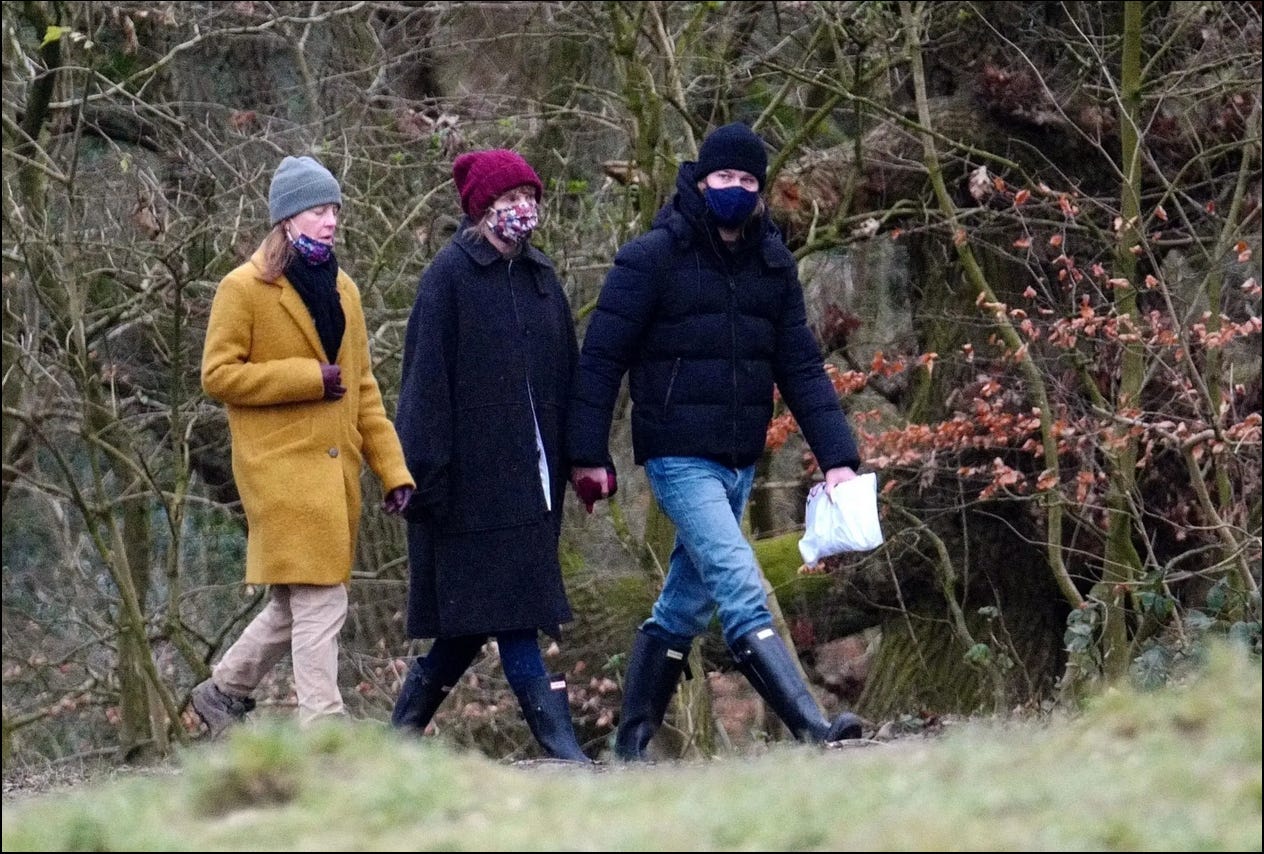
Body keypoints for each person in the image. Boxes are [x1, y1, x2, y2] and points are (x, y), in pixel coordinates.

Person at [568, 122, 865, 760]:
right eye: (725, 177)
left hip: (739, 458)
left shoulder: (773, 265)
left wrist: (837, 458)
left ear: (760, 191)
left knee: (684, 604)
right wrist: (587, 454)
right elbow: (601, 360)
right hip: (677, 452)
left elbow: (803, 368)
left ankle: (630, 742)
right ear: (701, 180)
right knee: (737, 577)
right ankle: (812, 728)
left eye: (748, 180)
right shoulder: (651, 257)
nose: (736, 188)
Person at [195, 155, 415, 736]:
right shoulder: (242, 288)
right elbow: (217, 375)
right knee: (323, 600)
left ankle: (222, 693)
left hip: (335, 470)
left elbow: (363, 387)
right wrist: (304, 377)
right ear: (287, 219)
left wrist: (394, 472)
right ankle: (325, 731)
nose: (331, 220)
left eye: (335, 209)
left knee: (295, 606)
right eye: (320, 209)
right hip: (278, 469)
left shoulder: (345, 289)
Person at [390, 149, 593, 763]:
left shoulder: (542, 281)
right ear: (482, 209)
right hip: (469, 489)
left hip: (535, 488)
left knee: (470, 626)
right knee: (512, 618)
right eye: (508, 201)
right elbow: (423, 386)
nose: (521, 211)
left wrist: (584, 458)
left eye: (529, 198)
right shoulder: (447, 278)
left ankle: (391, 744)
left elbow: (572, 379)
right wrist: (419, 478)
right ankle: (566, 753)